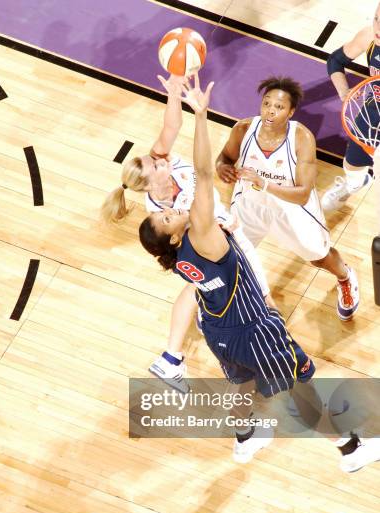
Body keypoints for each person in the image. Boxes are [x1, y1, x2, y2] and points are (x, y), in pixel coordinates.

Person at [138, 74, 380, 472]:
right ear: (176, 234)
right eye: (167, 216)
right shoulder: (203, 233)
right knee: (298, 388)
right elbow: (202, 167)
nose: (172, 208)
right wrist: (200, 115)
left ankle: (246, 438)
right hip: (254, 327)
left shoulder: (180, 256)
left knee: (240, 385)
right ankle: (350, 450)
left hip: (217, 327)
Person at [102, 74, 274, 392]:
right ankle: (270, 363)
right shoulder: (162, 212)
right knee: (261, 298)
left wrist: (172, 94)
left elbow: (171, 128)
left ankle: (171, 358)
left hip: (211, 234)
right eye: (153, 164)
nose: (158, 159)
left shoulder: (160, 162)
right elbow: (195, 227)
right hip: (213, 243)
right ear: (151, 183)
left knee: (198, 291)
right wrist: (224, 226)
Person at [215, 76, 359, 321]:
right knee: (227, 256)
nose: (270, 111)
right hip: (249, 206)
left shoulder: (302, 138)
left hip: (291, 209)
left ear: (291, 112)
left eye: (279, 107)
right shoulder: (243, 129)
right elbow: (224, 158)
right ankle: (223, 305)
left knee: (319, 257)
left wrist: (264, 183)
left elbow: (303, 193)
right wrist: (222, 168)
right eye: (267, 104)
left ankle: (345, 278)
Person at [321, 3, 379, 210]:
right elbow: (335, 61)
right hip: (374, 113)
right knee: (352, 164)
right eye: (376, 18)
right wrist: (344, 92)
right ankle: (356, 183)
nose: (378, 28)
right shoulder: (369, 36)